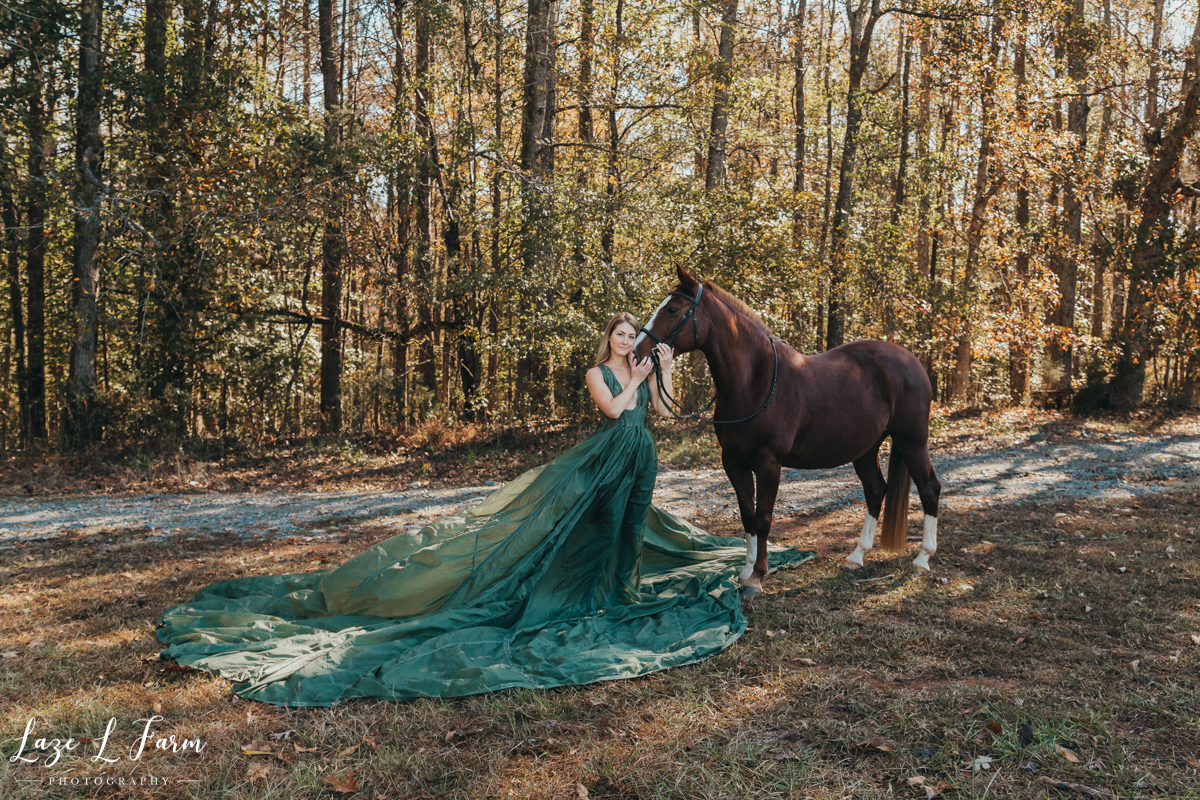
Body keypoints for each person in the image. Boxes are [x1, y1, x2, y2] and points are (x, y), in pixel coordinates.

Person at [157, 314, 813, 706]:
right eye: (620, 334)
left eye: (630, 334)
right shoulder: (602, 375)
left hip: (643, 456)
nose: (625, 339)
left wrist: (666, 373)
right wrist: (640, 375)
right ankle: (594, 590)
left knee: (634, 527)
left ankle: (622, 582)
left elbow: (662, 413)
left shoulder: (643, 367)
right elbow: (615, 411)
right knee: (592, 526)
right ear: (608, 342)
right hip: (609, 453)